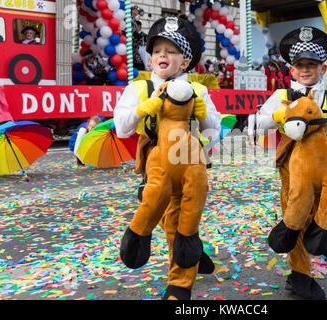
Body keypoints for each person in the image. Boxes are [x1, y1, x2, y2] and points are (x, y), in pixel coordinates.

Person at [113, 16, 221, 300]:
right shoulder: (138, 89)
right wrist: (142, 109)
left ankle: (179, 288)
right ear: (150, 60)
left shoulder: (198, 90)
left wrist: (202, 111)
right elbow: (122, 127)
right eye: (158, 50)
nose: (163, 55)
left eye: (171, 50)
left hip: (188, 164)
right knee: (166, 220)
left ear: (185, 62)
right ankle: (193, 256)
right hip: (156, 165)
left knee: (177, 225)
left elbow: (215, 131)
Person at [256, 26, 327, 300]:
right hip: (292, 175)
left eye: (311, 64)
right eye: (300, 65)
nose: (305, 70)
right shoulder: (280, 96)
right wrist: (276, 117)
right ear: (291, 70)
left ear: (323, 68)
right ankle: (300, 276)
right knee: (296, 222)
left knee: (325, 212)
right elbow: (254, 126)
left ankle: (325, 234)